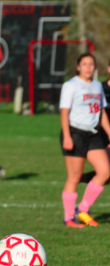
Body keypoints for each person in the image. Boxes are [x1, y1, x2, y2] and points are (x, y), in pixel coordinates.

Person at [59, 52, 110, 228]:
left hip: (93, 134)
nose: (88, 67)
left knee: (105, 171)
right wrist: (67, 136)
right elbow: (64, 112)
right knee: (74, 176)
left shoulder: (97, 86)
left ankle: (83, 208)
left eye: (91, 64)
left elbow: (101, 111)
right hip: (75, 133)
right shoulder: (71, 85)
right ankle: (68, 218)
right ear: (78, 67)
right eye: (85, 64)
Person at [80, 57, 110, 184]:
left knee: (106, 174)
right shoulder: (99, 89)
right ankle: (79, 178)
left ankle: (80, 179)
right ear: (109, 69)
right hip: (99, 136)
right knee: (106, 174)